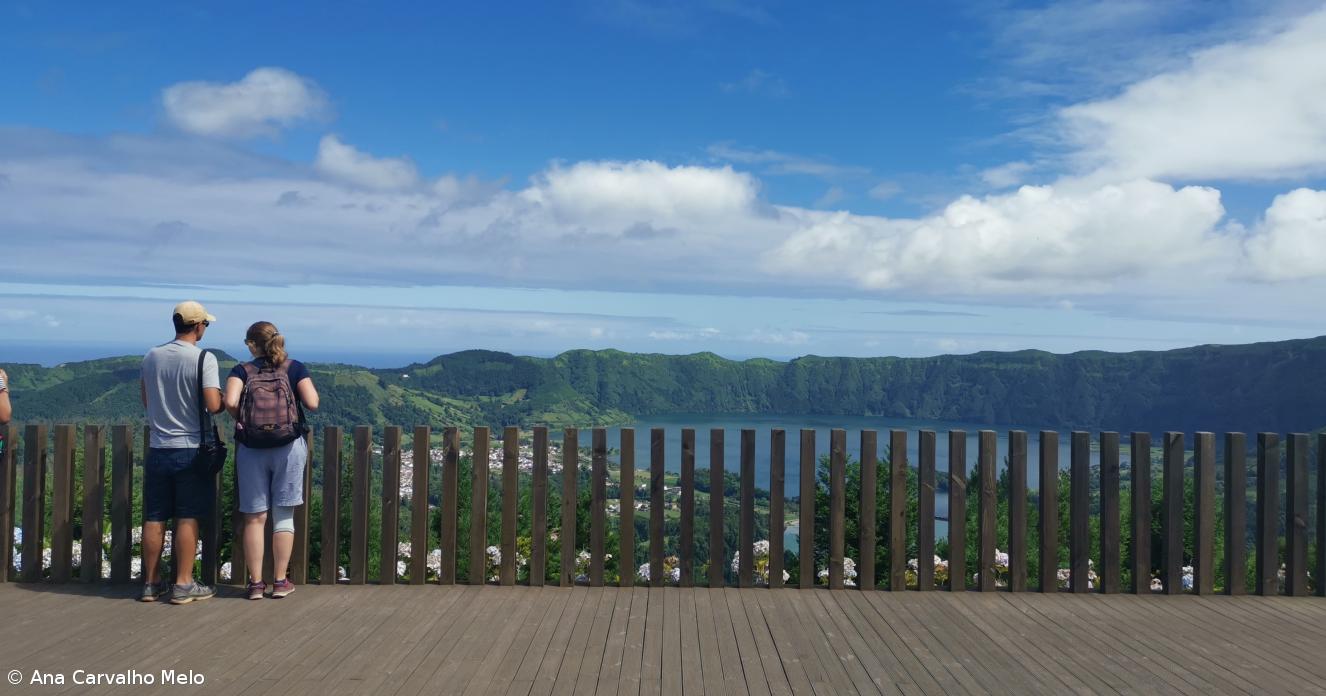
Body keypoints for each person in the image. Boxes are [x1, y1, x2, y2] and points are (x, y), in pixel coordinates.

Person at [224, 321, 319, 600]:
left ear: (252, 345)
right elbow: (312, 403)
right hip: (288, 447)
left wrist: (242, 420)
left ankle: (255, 584)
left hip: (251, 448)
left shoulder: (242, 370)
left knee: (254, 517)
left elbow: (230, 401)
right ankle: (279, 581)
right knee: (283, 516)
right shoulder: (294, 368)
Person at [140, 301, 222, 604]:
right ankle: (183, 584)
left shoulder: (152, 356)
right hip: (190, 450)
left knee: (155, 516)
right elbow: (213, 405)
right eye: (206, 325)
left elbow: (146, 400)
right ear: (198, 326)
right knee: (187, 516)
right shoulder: (204, 359)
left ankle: (150, 583)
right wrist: (224, 401)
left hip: (159, 448)